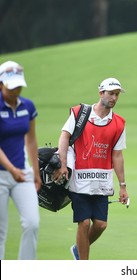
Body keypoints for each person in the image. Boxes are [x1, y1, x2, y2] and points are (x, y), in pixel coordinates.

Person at [54, 77, 129, 260]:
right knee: (84, 222)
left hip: (102, 181)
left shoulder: (119, 123)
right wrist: (63, 164)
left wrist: (123, 185)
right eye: (111, 93)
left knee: (101, 224)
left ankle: (78, 249)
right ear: (101, 93)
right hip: (79, 178)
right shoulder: (80, 113)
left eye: (117, 95)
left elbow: (117, 155)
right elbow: (64, 137)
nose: (114, 98)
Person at [0, 61, 41, 260]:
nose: (16, 90)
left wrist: (35, 171)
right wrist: (11, 169)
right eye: (11, 86)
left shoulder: (27, 106)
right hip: (1, 174)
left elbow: (31, 140)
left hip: (22, 172)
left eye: (18, 86)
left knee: (32, 223)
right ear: (1, 84)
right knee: (0, 232)